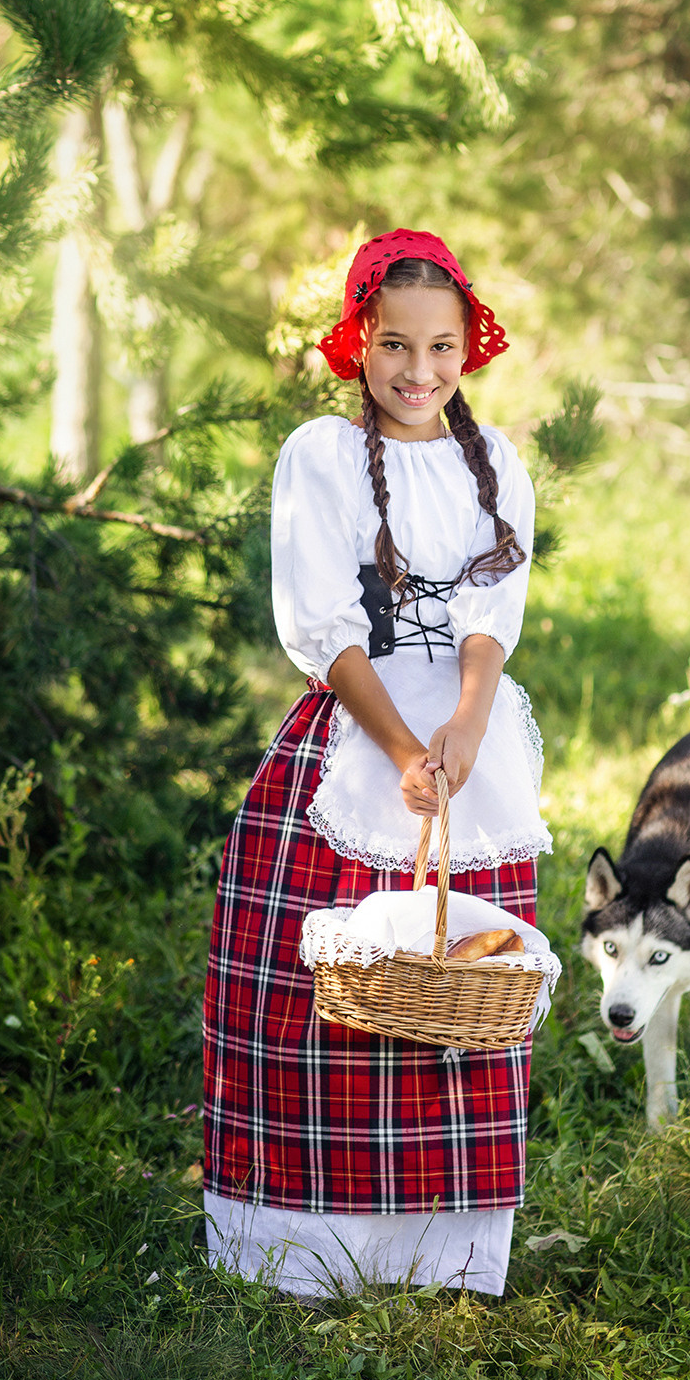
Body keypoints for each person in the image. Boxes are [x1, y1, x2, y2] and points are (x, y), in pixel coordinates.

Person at [202, 227, 551, 1299]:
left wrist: (468, 726)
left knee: (461, 988)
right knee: (322, 991)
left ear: (467, 346)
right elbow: (321, 622)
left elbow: (491, 619)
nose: (418, 371)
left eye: (440, 346)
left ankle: (445, 1255)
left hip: (468, 751)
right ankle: (300, 1253)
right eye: (395, 345)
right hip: (355, 737)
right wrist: (402, 747)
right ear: (359, 343)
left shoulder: (499, 468)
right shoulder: (318, 453)